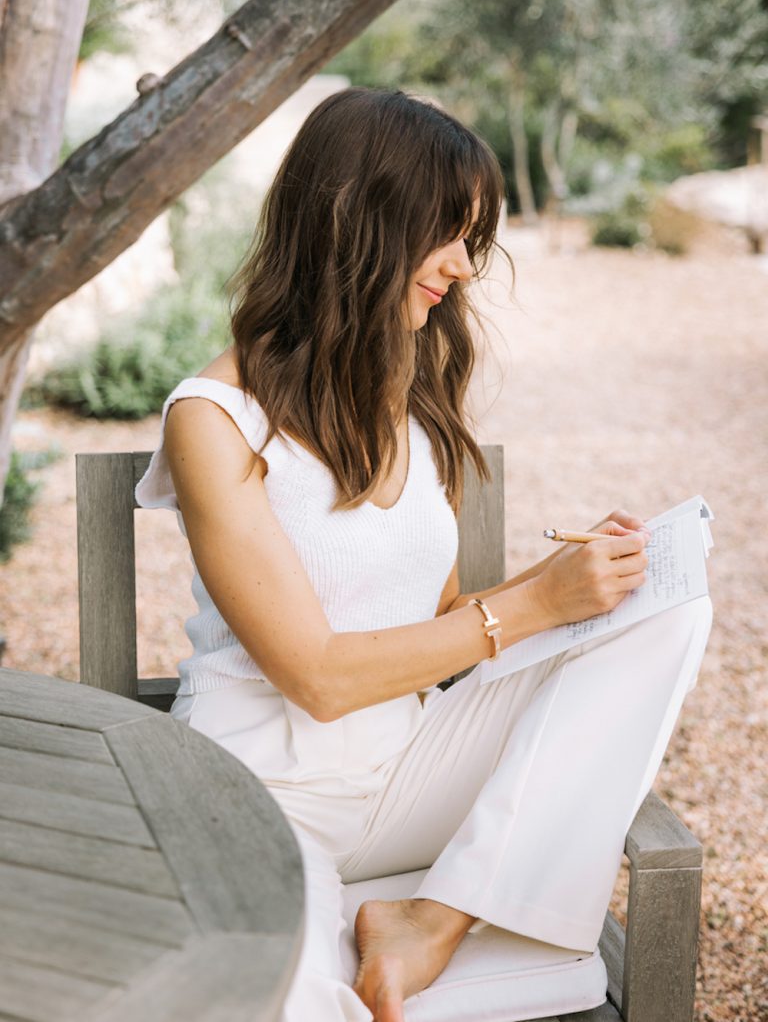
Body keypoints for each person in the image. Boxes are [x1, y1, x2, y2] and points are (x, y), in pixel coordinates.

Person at [136, 87, 712, 1022]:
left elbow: (442, 620)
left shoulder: (410, 395)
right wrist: (532, 606)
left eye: (472, 236)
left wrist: (576, 583)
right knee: (294, 1000)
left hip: (406, 770)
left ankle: (433, 913)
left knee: (669, 602)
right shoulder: (216, 419)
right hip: (264, 792)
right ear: (357, 217)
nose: (461, 266)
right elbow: (316, 676)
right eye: (447, 231)